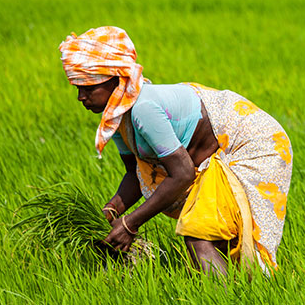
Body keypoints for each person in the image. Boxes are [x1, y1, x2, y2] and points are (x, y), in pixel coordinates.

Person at [59, 26, 292, 276]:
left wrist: (130, 224)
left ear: (117, 80)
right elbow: (137, 175)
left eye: (88, 88)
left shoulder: (144, 109)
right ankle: (237, 290)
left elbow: (182, 173)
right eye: (78, 88)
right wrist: (111, 211)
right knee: (210, 232)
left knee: (199, 232)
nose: (81, 97)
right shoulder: (115, 118)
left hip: (252, 146)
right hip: (215, 155)